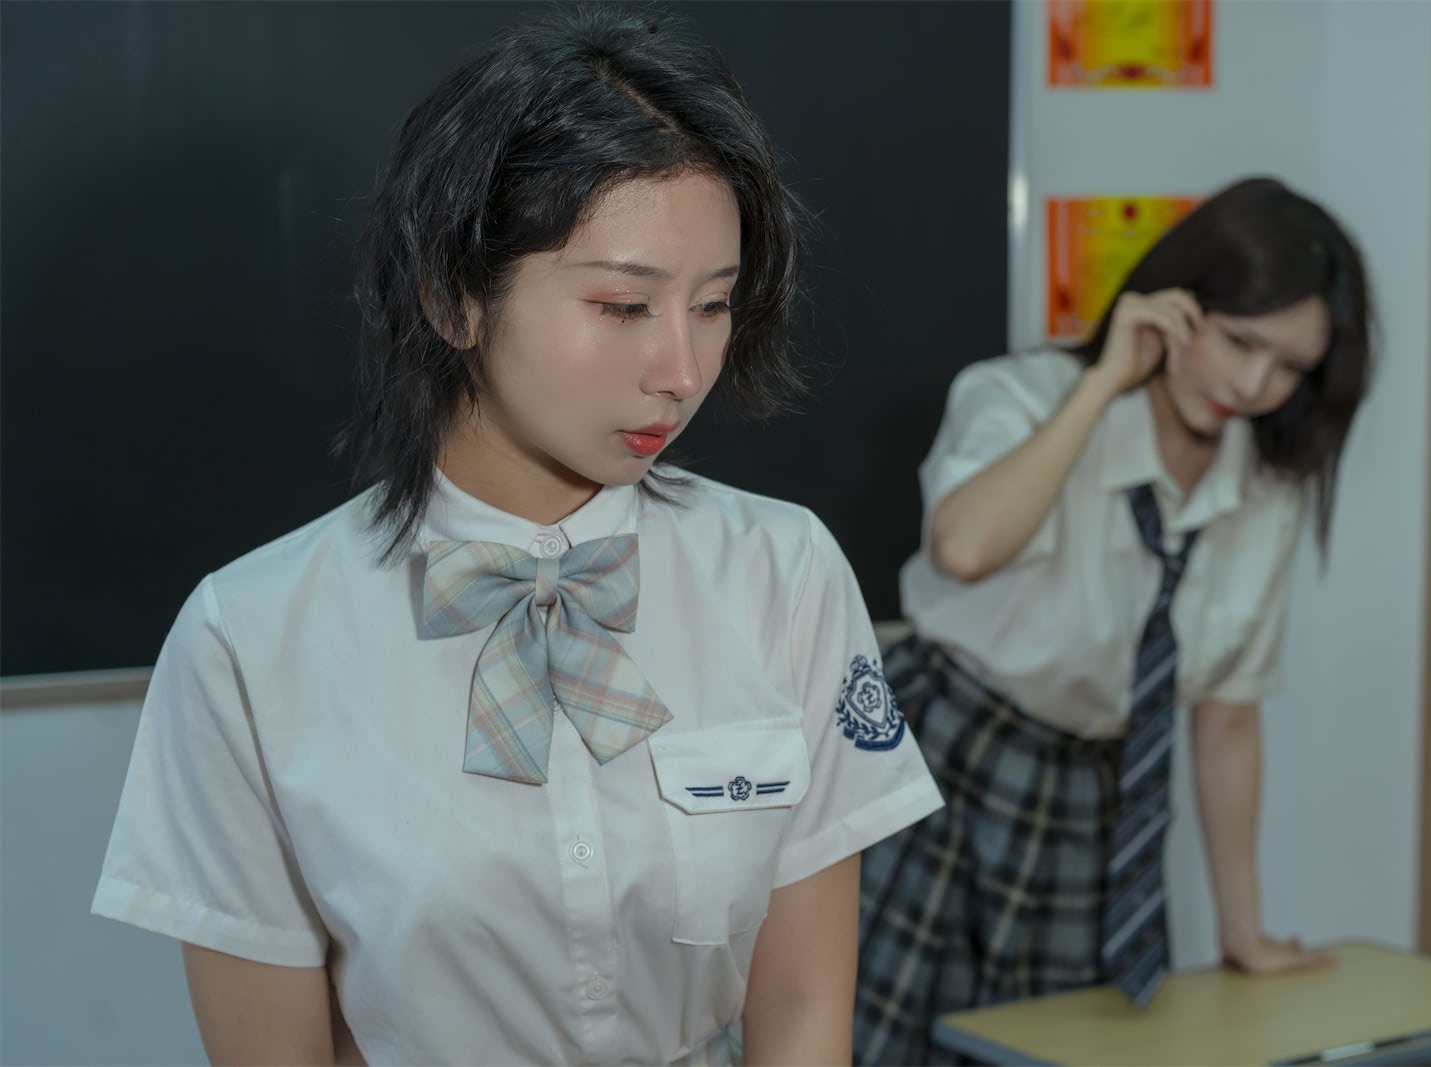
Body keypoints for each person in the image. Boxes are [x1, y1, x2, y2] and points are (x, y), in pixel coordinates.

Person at [91, 8, 942, 1064]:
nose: (682, 371)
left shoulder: (783, 570)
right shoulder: (251, 639)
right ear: (453, 296)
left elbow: (805, 1004)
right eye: (623, 306)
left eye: (714, 304)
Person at [854, 177, 1373, 1064]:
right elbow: (964, 548)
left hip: (1097, 794)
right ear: (1176, 302)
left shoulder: (1263, 487)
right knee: (881, 1041)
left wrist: (1243, 931)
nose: (1254, 385)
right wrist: (1101, 386)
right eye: (1241, 341)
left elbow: (1226, 716)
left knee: (1076, 1048)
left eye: (1291, 367)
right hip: (942, 756)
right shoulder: (1024, 393)